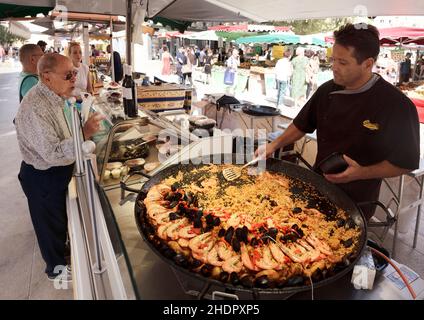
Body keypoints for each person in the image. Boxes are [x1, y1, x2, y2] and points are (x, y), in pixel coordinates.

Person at [255, 23, 420, 221]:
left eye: (342, 62)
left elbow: (406, 163)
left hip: (357, 203)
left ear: (368, 64)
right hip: (317, 188)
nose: (333, 67)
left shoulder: (396, 105)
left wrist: (360, 173)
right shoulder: (327, 90)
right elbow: (301, 124)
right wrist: (273, 145)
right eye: (333, 59)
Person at [15, 53, 104, 281]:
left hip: (57, 172)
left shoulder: (55, 96)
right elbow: (52, 152)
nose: (74, 78)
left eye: (74, 72)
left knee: (58, 224)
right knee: (49, 230)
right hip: (43, 176)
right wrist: (84, 133)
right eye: (68, 75)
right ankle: (58, 274)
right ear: (46, 77)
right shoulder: (36, 106)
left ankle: (63, 257)